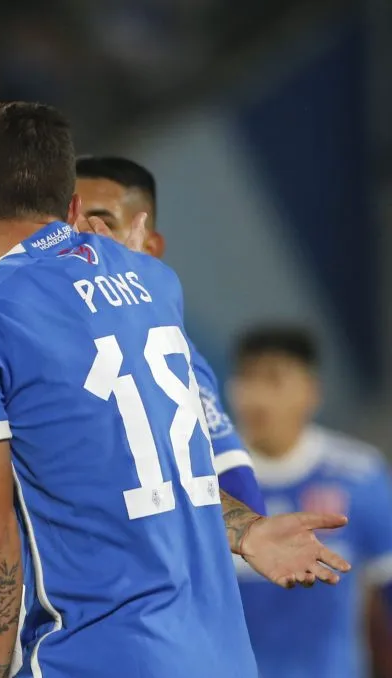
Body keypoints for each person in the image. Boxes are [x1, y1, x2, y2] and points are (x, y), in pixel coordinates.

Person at [0, 101, 351, 678]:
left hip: (95, 662)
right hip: (222, 664)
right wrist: (245, 529)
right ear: (72, 207)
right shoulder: (153, 282)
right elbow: (147, 475)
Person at [74, 155, 266, 514]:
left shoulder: (173, 354)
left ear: (149, 249)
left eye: (103, 223)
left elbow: (237, 485)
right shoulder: (27, 332)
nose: (82, 239)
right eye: (67, 222)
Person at [228, 325, 392, 678]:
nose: (257, 397)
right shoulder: (207, 480)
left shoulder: (359, 475)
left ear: (311, 391)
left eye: (274, 380)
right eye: (246, 379)